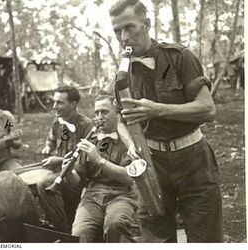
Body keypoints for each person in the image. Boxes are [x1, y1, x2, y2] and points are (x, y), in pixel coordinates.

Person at [109, 0, 223, 243]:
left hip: (193, 160)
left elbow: (207, 109)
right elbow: (120, 119)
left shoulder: (180, 57)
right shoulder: (122, 71)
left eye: (129, 28)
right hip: (152, 166)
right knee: (155, 240)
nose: (123, 37)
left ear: (147, 24)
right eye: (117, 31)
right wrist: (131, 144)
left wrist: (157, 110)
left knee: (206, 239)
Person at [61, 94, 138, 242]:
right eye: (96, 113)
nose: (99, 117)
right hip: (93, 195)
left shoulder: (129, 141)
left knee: (115, 225)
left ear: (117, 114)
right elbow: (78, 182)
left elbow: (129, 178)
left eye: (104, 112)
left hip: (122, 194)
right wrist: (69, 172)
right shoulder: (93, 140)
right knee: (79, 232)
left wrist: (99, 160)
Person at [36, 85, 94, 233]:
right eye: (54, 102)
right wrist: (48, 147)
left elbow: (85, 162)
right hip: (59, 173)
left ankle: (63, 231)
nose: (54, 106)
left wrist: (58, 160)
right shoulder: (58, 122)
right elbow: (51, 139)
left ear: (73, 104)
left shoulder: (87, 126)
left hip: (79, 177)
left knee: (43, 183)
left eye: (60, 103)